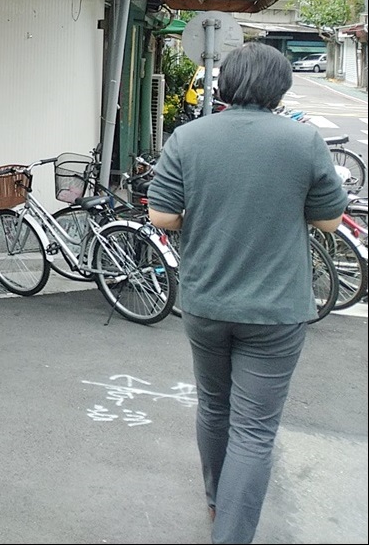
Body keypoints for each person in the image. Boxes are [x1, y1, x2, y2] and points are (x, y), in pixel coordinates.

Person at [146, 42, 347, 544]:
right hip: (277, 308)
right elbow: (327, 218)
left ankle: (218, 500)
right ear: (280, 87)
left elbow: (161, 217)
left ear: (225, 84)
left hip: (206, 300)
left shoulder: (188, 138)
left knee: (214, 407)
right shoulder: (304, 142)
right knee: (254, 430)